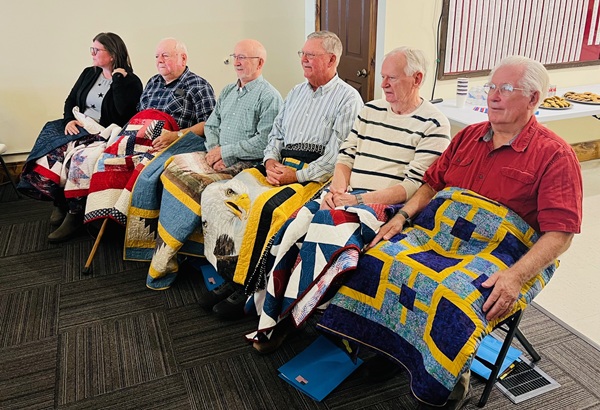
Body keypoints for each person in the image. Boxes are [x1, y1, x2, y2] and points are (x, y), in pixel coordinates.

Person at [318, 55, 583, 409]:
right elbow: (431, 184)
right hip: (438, 236)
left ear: (533, 98)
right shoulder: (469, 136)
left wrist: (515, 277)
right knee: (373, 259)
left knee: (451, 299)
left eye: (506, 89)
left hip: (500, 252)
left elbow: (561, 234)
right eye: (491, 87)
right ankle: (390, 348)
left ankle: (450, 387)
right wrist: (403, 217)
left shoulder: (555, 155)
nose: (494, 96)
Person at [247, 46, 452, 354]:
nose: (383, 84)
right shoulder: (370, 110)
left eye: (392, 78)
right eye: (382, 77)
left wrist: (356, 199)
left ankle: (288, 319)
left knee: (324, 232)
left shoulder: (434, 124)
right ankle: (270, 310)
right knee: (292, 228)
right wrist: (336, 191)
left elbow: (412, 186)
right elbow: (345, 157)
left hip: (382, 206)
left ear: (417, 79)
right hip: (345, 194)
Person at [199, 31, 363, 319]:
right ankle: (230, 273)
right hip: (279, 167)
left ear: (332, 60)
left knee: (266, 209)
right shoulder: (296, 92)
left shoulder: (348, 99)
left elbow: (338, 155)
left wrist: (296, 176)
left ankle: (249, 289)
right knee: (220, 194)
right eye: (302, 54)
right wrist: (271, 160)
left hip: (312, 177)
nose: (304, 60)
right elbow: (275, 134)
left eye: (311, 55)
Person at [122, 39, 283, 290]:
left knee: (188, 184)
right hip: (215, 155)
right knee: (169, 169)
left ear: (260, 63)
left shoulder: (269, 96)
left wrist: (224, 153)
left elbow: (264, 142)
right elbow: (212, 125)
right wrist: (213, 151)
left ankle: (169, 257)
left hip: (246, 163)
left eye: (243, 58)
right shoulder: (228, 91)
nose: (237, 62)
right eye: (235, 56)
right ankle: (174, 250)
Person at [17, 32, 143, 242]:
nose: (92, 54)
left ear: (112, 54)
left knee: (77, 158)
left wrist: (117, 81)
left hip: (103, 131)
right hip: (80, 124)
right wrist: (69, 120)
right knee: (52, 146)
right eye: (91, 49)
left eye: (97, 50)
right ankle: (59, 201)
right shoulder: (88, 73)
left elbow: (123, 114)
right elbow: (71, 100)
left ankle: (74, 213)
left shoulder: (130, 81)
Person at [82, 38, 217, 229]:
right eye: (157, 56)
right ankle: (103, 217)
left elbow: (210, 124)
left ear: (183, 58)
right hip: (139, 138)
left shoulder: (198, 85)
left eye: (165, 55)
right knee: (107, 161)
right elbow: (140, 116)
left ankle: (128, 223)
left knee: (142, 169)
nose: (159, 60)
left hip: (171, 143)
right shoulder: (153, 82)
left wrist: (176, 135)